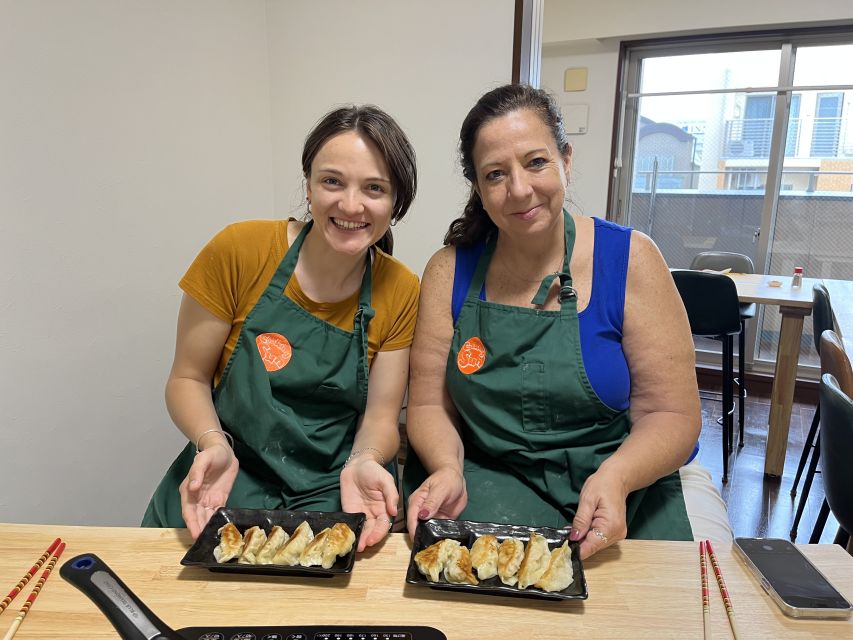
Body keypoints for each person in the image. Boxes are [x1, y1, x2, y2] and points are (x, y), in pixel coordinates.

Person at [403, 84, 731, 559]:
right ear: (478, 186)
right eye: (496, 174)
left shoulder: (630, 259)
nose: (519, 189)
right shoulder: (449, 271)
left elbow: (674, 416)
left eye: (536, 162)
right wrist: (446, 466)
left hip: (624, 477)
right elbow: (431, 406)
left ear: (566, 160)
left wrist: (618, 477)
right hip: (488, 476)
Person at [143, 104, 419, 551]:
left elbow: (381, 419)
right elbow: (187, 378)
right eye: (332, 181)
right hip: (229, 474)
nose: (351, 205)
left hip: (336, 485)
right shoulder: (239, 250)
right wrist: (212, 442)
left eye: (374, 188)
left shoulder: (401, 288)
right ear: (308, 186)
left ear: (395, 203)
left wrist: (367, 459)